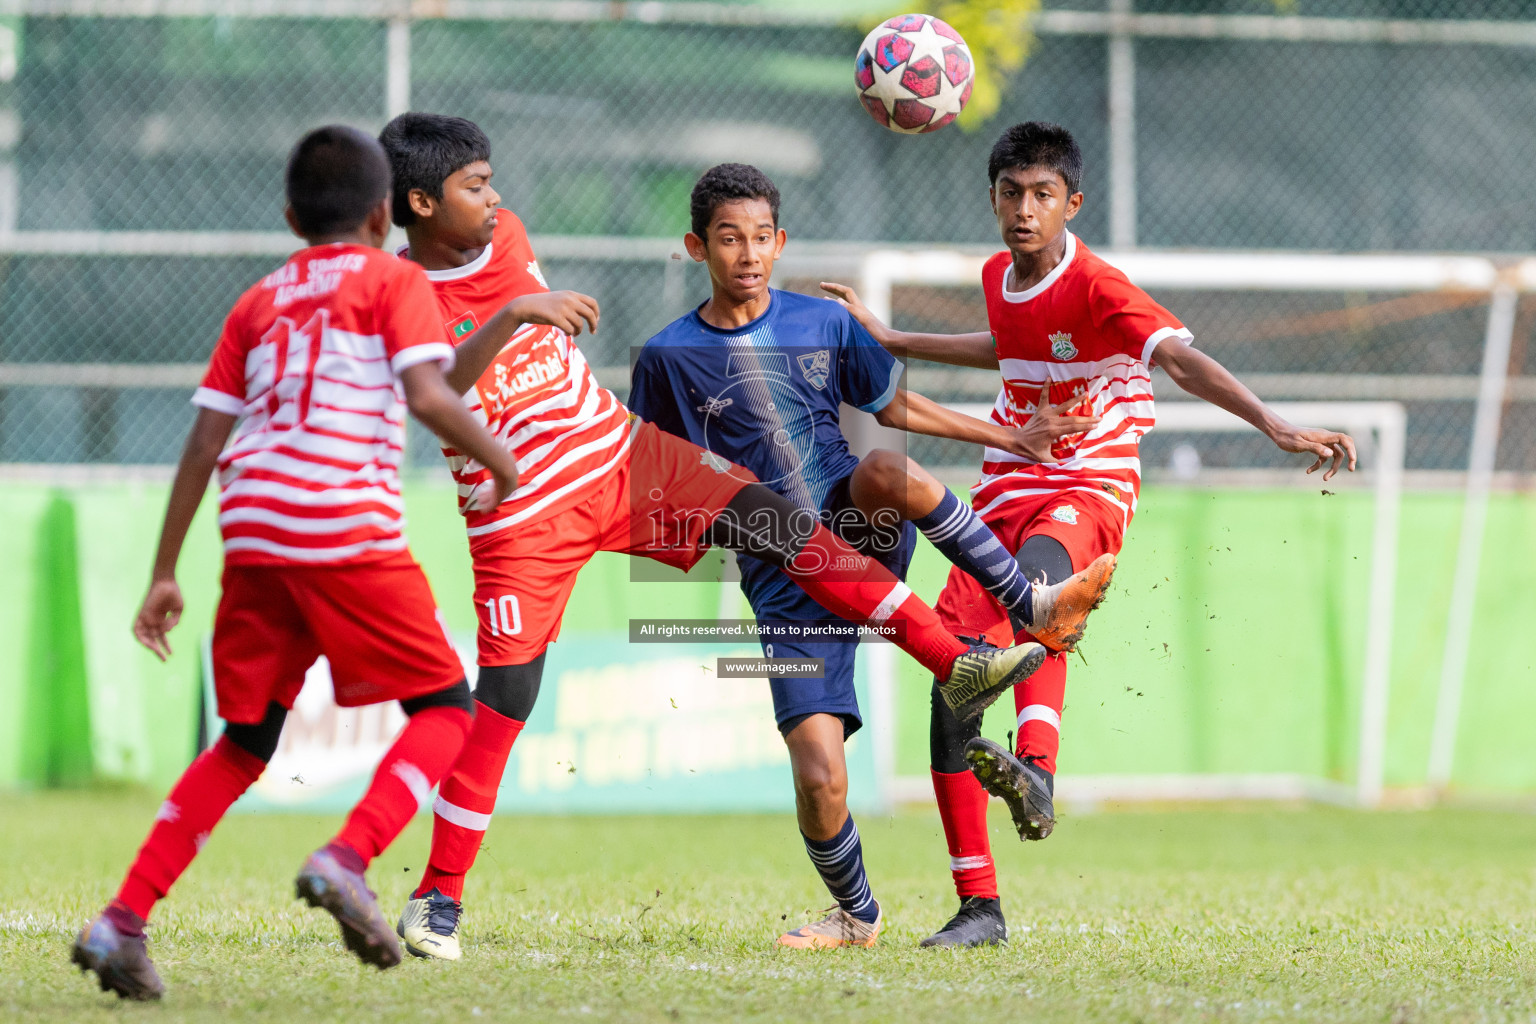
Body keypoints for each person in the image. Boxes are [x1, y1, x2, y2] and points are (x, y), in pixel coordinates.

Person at [377, 113, 1053, 960]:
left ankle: (957, 661)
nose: (496, 196)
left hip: (618, 456)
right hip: (521, 512)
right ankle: (438, 898)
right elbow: (431, 389)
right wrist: (516, 313)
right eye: (475, 186)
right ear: (419, 202)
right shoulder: (395, 291)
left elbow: (886, 408)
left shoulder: (505, 232)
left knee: (777, 515)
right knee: (506, 699)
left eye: (488, 179)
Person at [822, 121, 1358, 948]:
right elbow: (1004, 346)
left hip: (1087, 482)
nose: (1025, 210)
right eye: (1011, 193)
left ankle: (1035, 766)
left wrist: (1275, 425)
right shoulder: (999, 274)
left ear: (1073, 202)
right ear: (993, 199)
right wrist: (894, 339)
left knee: (1037, 591)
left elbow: (1179, 359)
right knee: (952, 680)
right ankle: (979, 909)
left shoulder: (1102, 286)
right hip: (1007, 480)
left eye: (1043, 195)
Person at [70, 125, 526, 1000]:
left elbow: (206, 440)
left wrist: (165, 571)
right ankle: (349, 857)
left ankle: (120, 921)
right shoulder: (397, 280)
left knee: (244, 741)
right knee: (446, 710)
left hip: (251, 532)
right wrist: (500, 461)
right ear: (385, 212)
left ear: (290, 217)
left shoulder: (258, 301)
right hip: (341, 527)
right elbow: (429, 393)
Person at [629, 162, 1115, 949]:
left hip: (852, 523)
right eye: (728, 239)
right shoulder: (665, 357)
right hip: (781, 574)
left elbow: (896, 406)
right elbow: (655, 485)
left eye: (760, 238)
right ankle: (856, 914)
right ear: (696, 246)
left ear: (780, 243)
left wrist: (1009, 436)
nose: (747, 254)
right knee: (820, 779)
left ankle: (1026, 600)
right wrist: (720, 524)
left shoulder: (822, 323)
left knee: (884, 467)